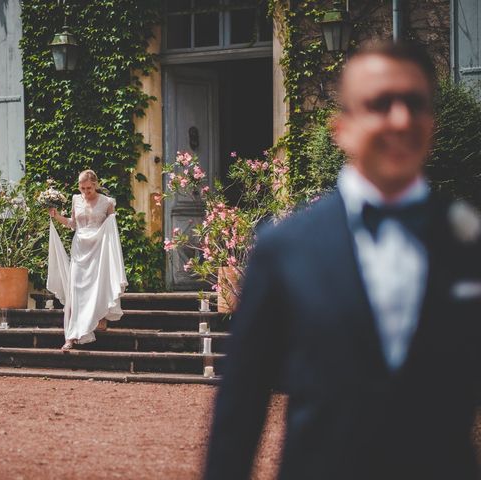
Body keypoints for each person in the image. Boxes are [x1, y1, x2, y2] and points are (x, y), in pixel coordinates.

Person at [205, 41, 481, 480]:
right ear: (342, 128)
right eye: (379, 104)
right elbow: (241, 403)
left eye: (415, 103)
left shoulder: (469, 245)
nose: (401, 119)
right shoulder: (284, 247)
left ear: (432, 123)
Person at [47, 169, 127, 350]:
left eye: (89, 188)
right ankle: (71, 335)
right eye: (82, 188)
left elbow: (112, 231)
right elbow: (72, 224)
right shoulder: (76, 200)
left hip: (98, 249)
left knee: (96, 287)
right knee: (75, 290)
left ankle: (97, 317)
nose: (85, 192)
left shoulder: (107, 202)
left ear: (96, 185)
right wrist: (56, 216)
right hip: (79, 249)